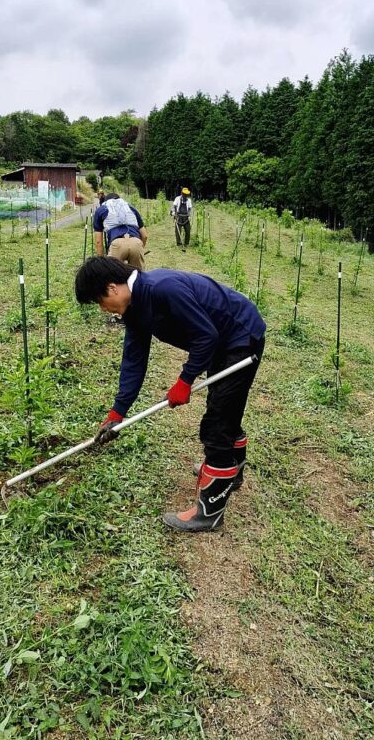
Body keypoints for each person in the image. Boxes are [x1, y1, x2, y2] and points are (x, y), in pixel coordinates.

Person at [74, 256, 266, 533]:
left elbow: (206, 336)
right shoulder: (135, 308)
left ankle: (209, 513)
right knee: (223, 408)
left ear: (112, 287)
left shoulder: (163, 288)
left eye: (99, 302)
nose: (103, 310)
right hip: (222, 342)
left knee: (218, 423)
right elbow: (134, 361)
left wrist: (185, 380)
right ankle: (229, 474)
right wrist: (118, 411)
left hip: (240, 337)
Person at [93, 193, 148, 270]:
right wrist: (140, 249)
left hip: (117, 244)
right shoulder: (131, 208)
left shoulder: (101, 210)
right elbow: (144, 236)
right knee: (138, 276)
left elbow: (98, 242)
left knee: (113, 277)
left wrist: (102, 263)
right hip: (136, 242)